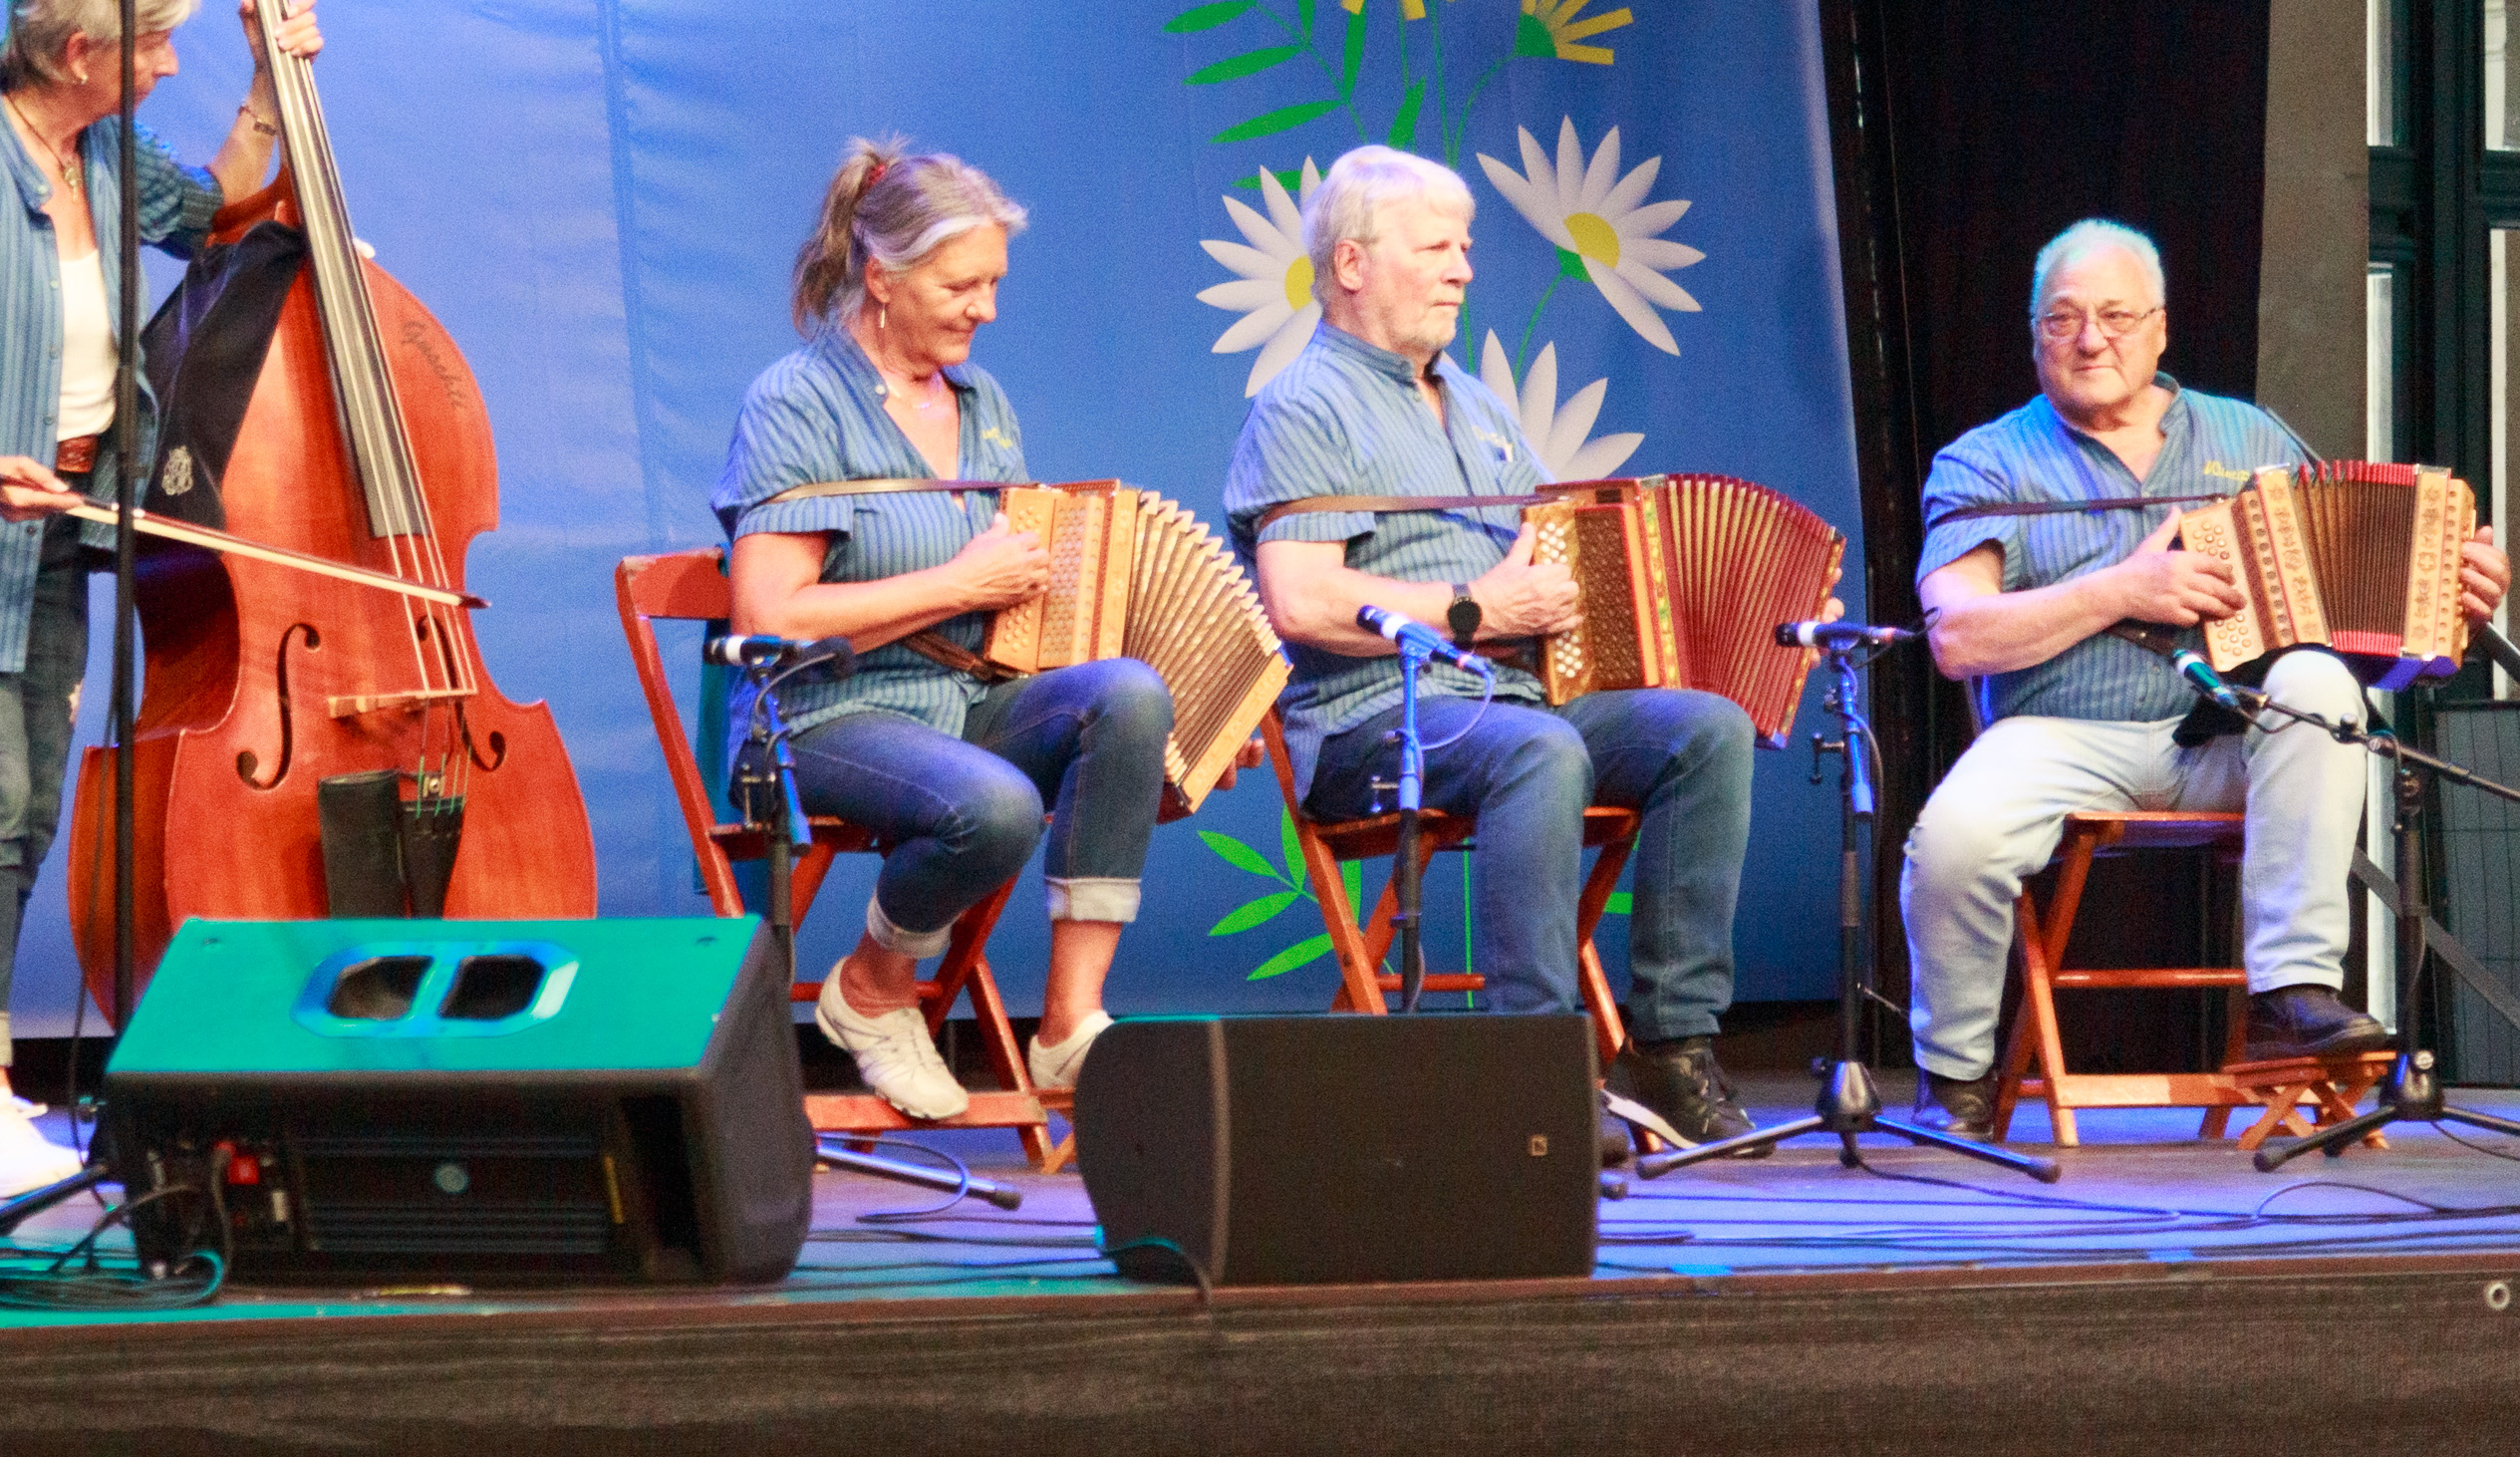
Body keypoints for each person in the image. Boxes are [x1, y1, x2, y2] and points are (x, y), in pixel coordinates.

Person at [0, 0, 319, 1198]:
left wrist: (271, 87)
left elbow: (212, 213)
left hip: (58, 525)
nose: (164, 67)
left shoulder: (98, 154)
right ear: (76, 49)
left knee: (33, 802)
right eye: (151, 45)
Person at [1898, 218, 2512, 1139]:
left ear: (2160, 329)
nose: (2090, 338)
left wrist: (2447, 600)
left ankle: (2290, 996)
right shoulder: (1986, 459)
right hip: (2058, 736)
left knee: (2316, 684)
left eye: (2113, 315)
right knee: (1951, 841)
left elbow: (2358, 628)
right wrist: (2121, 589)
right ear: (2034, 338)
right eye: (2061, 320)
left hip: (2227, 736)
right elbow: (1958, 637)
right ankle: (1953, 1079)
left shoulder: (2245, 436)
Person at [1228, 145, 1763, 1158]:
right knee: (1542, 752)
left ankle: (1670, 1045)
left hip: (1514, 704)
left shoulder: (1476, 403)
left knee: (1708, 731)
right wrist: (1474, 607)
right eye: (1437, 247)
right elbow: (1298, 599)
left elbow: (1553, 555)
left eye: (1465, 247)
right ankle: (1536, 1066)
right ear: (1350, 264)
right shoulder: (1303, 405)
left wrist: (1709, 610)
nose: (1465, 268)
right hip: (1369, 723)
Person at [713, 140, 1176, 1120]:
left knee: (1130, 694)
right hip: (820, 711)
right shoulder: (798, 400)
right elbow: (770, 616)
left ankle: (1067, 1028)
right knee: (999, 806)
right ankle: (874, 994)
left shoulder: (984, 403)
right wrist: (957, 578)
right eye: (964, 284)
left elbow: (1005, 591)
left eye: (995, 282)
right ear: (881, 277)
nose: (988, 308)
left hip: (962, 697)